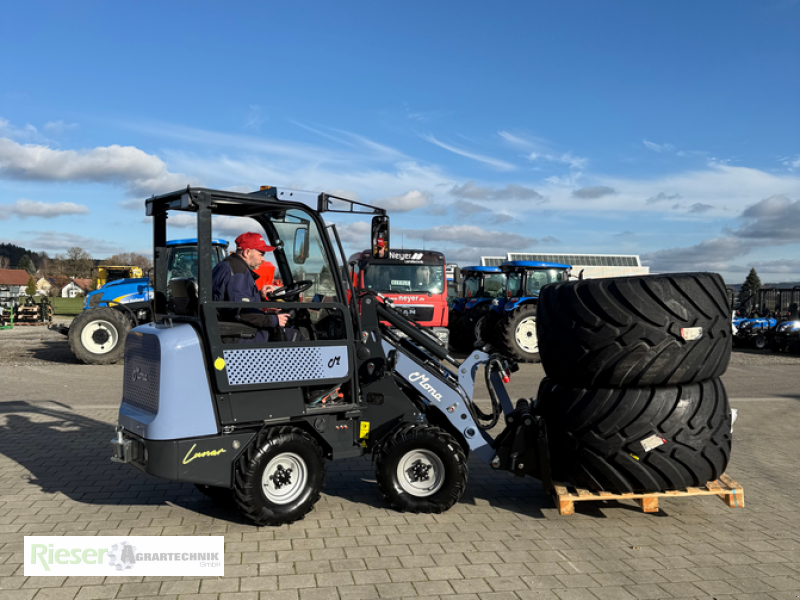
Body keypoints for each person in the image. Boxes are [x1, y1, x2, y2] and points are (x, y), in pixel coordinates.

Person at [211, 232, 297, 342]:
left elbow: (234, 301)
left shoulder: (225, 265)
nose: (263, 259)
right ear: (247, 252)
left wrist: (259, 295)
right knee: (295, 336)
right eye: (261, 254)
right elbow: (243, 312)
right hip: (241, 335)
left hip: (231, 328)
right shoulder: (239, 272)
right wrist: (273, 319)